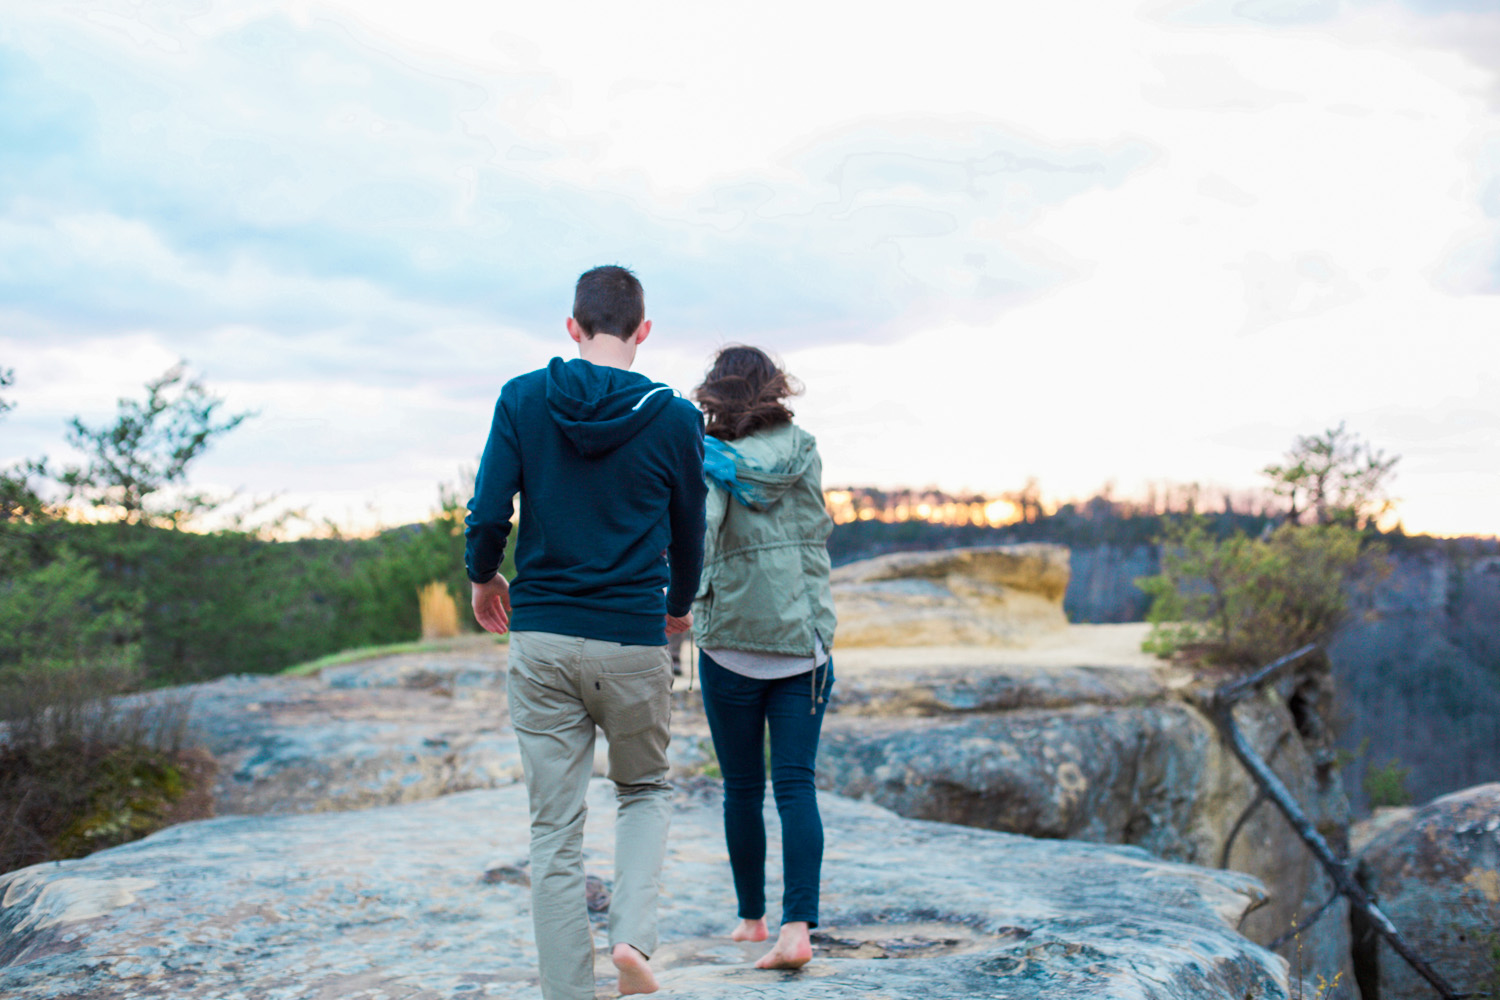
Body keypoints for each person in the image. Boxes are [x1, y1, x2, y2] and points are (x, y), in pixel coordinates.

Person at [465, 265, 706, 1000]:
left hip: (541, 638)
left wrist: (483, 579)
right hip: (632, 639)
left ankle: (567, 993)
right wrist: (678, 604)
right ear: (644, 330)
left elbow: (488, 512)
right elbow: (689, 531)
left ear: (572, 327)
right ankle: (631, 938)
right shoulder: (674, 418)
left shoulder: (522, 397)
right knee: (644, 791)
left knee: (553, 832)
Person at [689, 345, 837, 971]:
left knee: (742, 788)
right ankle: (796, 927)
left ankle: (752, 920)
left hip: (730, 645)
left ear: (716, 394)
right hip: (804, 643)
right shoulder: (802, 448)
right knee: (796, 786)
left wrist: (684, 604)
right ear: (774, 389)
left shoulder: (710, 462)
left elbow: (700, 534)